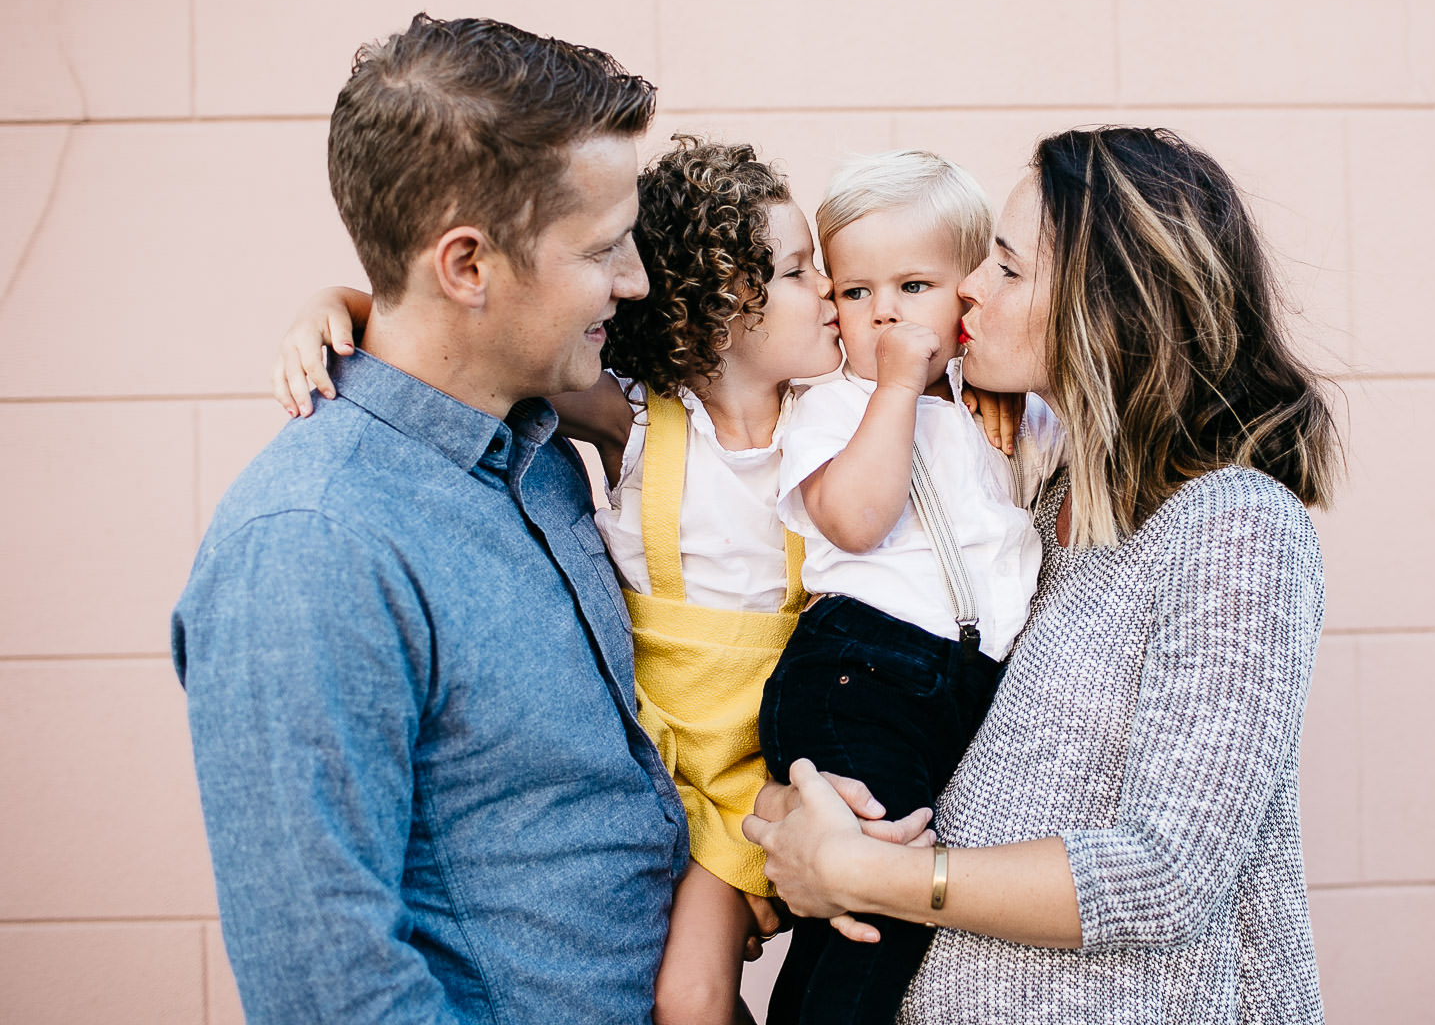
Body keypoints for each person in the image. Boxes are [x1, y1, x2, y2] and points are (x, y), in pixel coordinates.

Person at [268, 137, 942, 1024]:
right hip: (665, 770)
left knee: (700, 993)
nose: (827, 291)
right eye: (793, 273)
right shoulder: (641, 421)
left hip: (757, 771)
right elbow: (459, 346)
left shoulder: (841, 419)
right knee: (691, 997)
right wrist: (341, 301)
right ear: (719, 311)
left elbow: (932, 354)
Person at [743, 126, 1339, 1024]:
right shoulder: (1050, 496)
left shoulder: (1232, 525)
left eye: (1008, 270)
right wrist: (820, 808)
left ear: (1111, 308)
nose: (968, 289)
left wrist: (875, 872)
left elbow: (1167, 873)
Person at [173, 14, 692, 1024]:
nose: (633, 280)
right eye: (603, 248)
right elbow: (327, 984)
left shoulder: (536, 449)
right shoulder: (313, 545)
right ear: (467, 266)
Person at [756, 151, 1062, 1025]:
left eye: (914, 286)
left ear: (969, 296)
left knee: (888, 910)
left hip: (950, 691)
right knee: (874, 917)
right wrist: (896, 386)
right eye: (855, 293)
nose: (884, 310)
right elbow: (855, 518)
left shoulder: (997, 410)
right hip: (861, 675)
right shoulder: (833, 406)